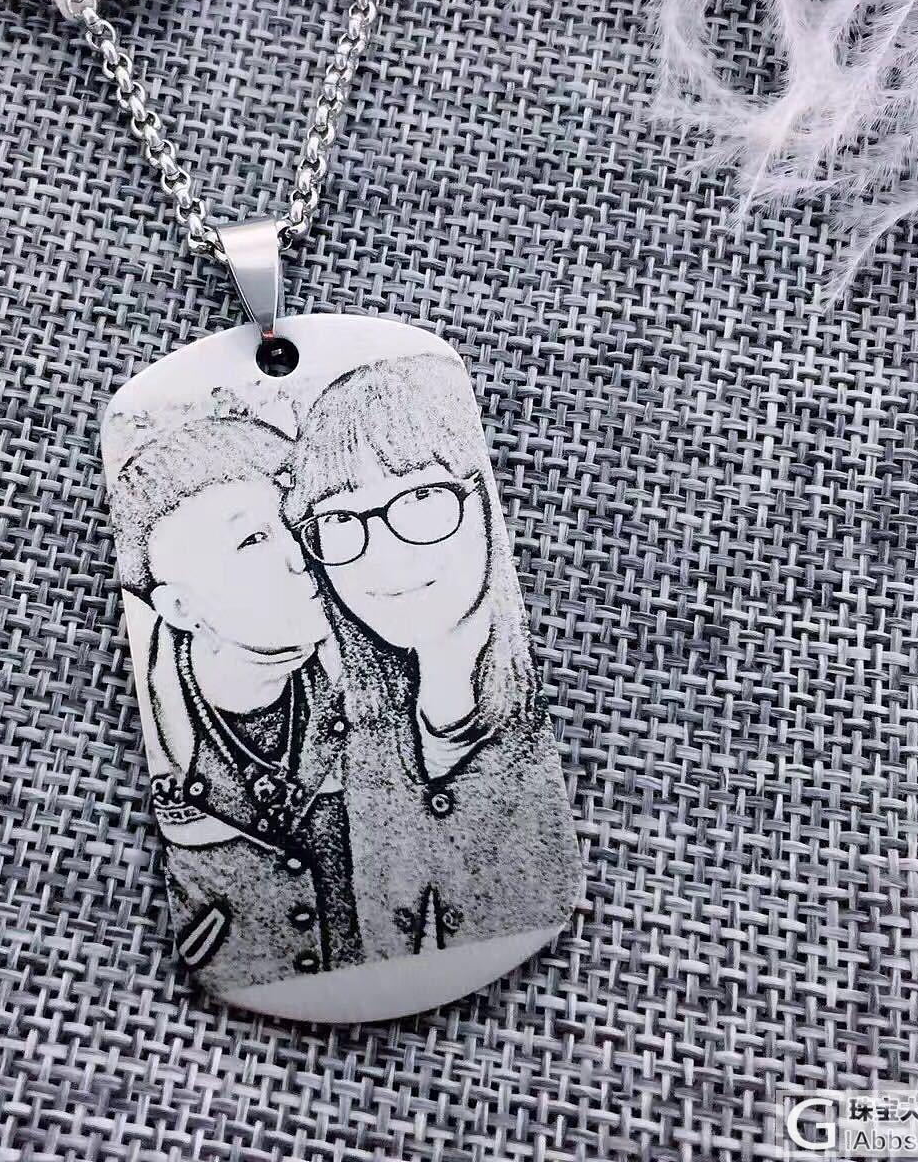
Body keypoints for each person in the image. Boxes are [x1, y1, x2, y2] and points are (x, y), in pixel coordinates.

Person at [284, 353, 583, 961]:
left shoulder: (547, 717)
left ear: (486, 503)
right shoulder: (358, 732)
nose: (385, 557)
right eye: (339, 517)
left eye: (421, 496)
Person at [109, 413, 364, 993]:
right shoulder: (157, 736)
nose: (301, 556)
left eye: (294, 524)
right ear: (180, 608)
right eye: (253, 540)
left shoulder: (375, 685)